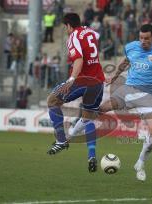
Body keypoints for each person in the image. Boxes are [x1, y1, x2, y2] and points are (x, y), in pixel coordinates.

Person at [70, 24, 152, 181]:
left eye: (147, 38)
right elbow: (124, 63)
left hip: (148, 97)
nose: (143, 41)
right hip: (128, 90)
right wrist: (114, 77)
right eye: (141, 38)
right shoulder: (131, 47)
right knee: (99, 109)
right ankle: (73, 133)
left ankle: (140, 163)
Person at [46, 13, 105, 173]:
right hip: (98, 82)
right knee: (88, 118)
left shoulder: (73, 37)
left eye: (65, 27)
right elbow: (97, 36)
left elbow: (78, 60)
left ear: (68, 26)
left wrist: (71, 79)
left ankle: (60, 140)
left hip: (82, 80)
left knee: (52, 101)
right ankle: (92, 156)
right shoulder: (90, 31)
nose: (66, 30)